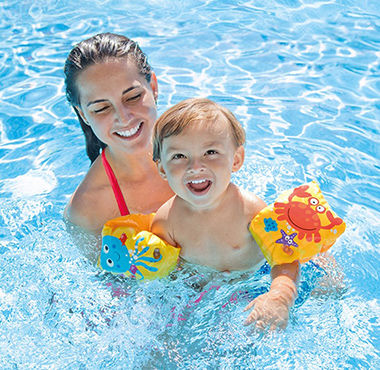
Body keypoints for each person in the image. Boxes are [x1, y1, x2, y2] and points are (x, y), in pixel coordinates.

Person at [150, 98, 299, 330]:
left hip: (255, 282)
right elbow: (166, 276)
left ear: (236, 159)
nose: (195, 166)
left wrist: (280, 296)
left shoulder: (253, 211)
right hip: (204, 292)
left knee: (330, 284)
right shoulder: (165, 221)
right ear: (162, 169)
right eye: (179, 156)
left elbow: (285, 258)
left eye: (211, 152)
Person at [63, 33, 174, 261]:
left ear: (153, 86)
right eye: (102, 108)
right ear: (83, 114)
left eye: (132, 97)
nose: (124, 118)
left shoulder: (202, 147)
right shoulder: (87, 210)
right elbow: (110, 288)